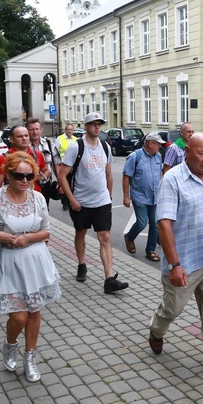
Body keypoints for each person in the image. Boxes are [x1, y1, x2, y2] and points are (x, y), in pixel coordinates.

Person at [148, 133, 203, 381]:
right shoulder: (172, 179)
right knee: (172, 309)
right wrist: (175, 265)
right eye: (202, 153)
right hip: (184, 262)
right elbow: (164, 224)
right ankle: (156, 331)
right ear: (187, 151)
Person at [0, 152, 61, 383]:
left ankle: (30, 357)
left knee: (35, 311)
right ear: (8, 174)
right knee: (19, 317)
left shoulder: (37, 198)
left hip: (35, 261)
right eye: (19, 175)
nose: (24, 180)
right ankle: (10, 345)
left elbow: (46, 230)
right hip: (6, 263)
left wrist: (28, 238)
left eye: (29, 175)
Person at [59, 112, 129, 293]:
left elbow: (107, 174)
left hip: (102, 201)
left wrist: (109, 196)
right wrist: (72, 199)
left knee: (104, 236)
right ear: (86, 126)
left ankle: (109, 279)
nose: (97, 127)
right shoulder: (76, 147)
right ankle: (82, 264)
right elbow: (62, 175)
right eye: (93, 124)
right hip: (80, 202)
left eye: (100, 124)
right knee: (80, 233)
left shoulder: (105, 147)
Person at [123, 132, 165, 262]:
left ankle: (150, 250)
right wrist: (126, 196)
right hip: (139, 196)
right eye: (158, 144)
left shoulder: (158, 156)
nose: (160, 147)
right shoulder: (135, 156)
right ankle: (129, 237)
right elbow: (126, 176)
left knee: (155, 224)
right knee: (141, 222)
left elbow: (160, 174)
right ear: (150, 143)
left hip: (155, 196)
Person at [0, 125, 50, 192]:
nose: (24, 138)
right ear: (11, 139)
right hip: (13, 199)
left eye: (26, 136)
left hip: (35, 198)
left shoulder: (37, 155)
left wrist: (43, 177)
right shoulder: (4, 158)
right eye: (20, 136)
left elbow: (46, 170)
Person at [27, 117, 61, 207]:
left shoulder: (49, 144)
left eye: (37, 129)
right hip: (29, 185)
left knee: (44, 209)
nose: (35, 132)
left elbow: (56, 164)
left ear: (41, 130)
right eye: (31, 129)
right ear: (27, 131)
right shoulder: (24, 146)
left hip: (46, 184)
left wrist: (60, 181)